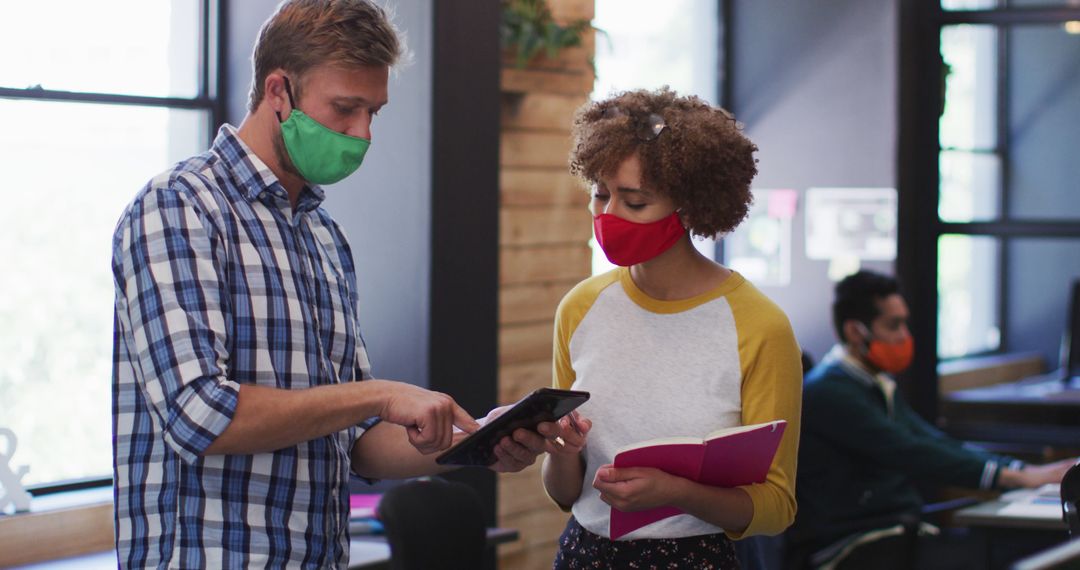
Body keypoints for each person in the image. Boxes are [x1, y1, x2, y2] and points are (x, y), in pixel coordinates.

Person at [110, 2, 550, 567]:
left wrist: (476, 442)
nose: (362, 133)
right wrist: (379, 394)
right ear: (278, 91)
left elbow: (358, 444)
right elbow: (198, 414)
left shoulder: (323, 237)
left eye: (374, 112)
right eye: (345, 108)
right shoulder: (178, 207)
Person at [538, 87, 804, 569]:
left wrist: (678, 493)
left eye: (635, 202)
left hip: (694, 558)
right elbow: (565, 495)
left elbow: (776, 507)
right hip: (583, 554)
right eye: (601, 194)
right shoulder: (580, 308)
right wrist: (560, 452)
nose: (609, 216)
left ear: (689, 206)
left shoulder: (759, 326)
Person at [792, 269, 1077, 563]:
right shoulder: (830, 391)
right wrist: (1020, 476)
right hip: (851, 546)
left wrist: (1019, 470)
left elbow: (932, 439)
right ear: (855, 331)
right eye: (893, 325)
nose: (904, 336)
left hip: (897, 533)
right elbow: (911, 450)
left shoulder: (874, 382)